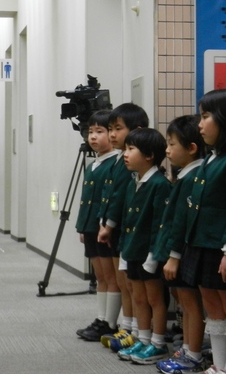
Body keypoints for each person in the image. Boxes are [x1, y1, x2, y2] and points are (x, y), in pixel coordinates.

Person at [173, 89, 226, 374]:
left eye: (206, 116)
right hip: (200, 244)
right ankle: (219, 367)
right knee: (215, 311)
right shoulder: (212, 158)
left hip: (223, 249)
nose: (200, 124)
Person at [95, 103, 149, 351]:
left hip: (126, 232)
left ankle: (137, 330)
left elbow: (119, 199)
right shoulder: (119, 160)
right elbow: (110, 197)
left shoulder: (132, 165)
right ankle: (126, 327)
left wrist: (110, 224)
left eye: (118, 129)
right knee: (122, 281)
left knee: (130, 283)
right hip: (117, 232)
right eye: (110, 129)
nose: (113, 134)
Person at [115, 128, 171, 365]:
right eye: (125, 148)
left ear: (149, 155)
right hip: (133, 251)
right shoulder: (133, 182)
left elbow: (161, 224)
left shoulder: (159, 184)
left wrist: (154, 255)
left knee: (155, 298)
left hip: (150, 254)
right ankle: (143, 338)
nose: (125, 154)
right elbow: (127, 221)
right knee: (138, 296)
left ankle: (157, 343)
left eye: (131, 149)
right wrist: (124, 251)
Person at [158, 115, 206, 374]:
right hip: (178, 251)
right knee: (185, 304)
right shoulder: (185, 175)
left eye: (172, 144)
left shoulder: (193, 177)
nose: (167, 150)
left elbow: (181, 222)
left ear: (191, 148)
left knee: (190, 305)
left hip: (186, 252)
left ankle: (193, 354)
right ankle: (188, 349)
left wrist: (174, 254)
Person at [74, 110, 119, 340]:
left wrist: (106, 225)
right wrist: (82, 227)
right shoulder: (92, 165)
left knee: (111, 277)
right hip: (91, 228)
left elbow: (110, 198)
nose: (93, 137)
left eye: (99, 132)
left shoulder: (117, 162)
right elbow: (86, 199)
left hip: (105, 229)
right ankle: (101, 319)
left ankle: (110, 322)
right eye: (90, 132)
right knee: (100, 276)